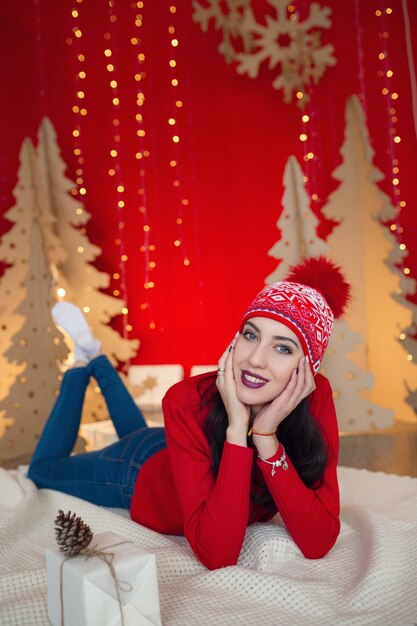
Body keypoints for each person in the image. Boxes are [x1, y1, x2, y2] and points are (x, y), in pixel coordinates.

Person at [28, 256, 350, 570]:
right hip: (138, 472)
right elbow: (218, 554)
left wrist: (266, 436)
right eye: (251, 335)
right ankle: (80, 368)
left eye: (283, 348)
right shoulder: (186, 400)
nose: (255, 360)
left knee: (134, 431)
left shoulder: (315, 396)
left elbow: (318, 540)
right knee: (42, 471)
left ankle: (96, 356)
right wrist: (238, 429)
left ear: (307, 368)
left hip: (181, 450)